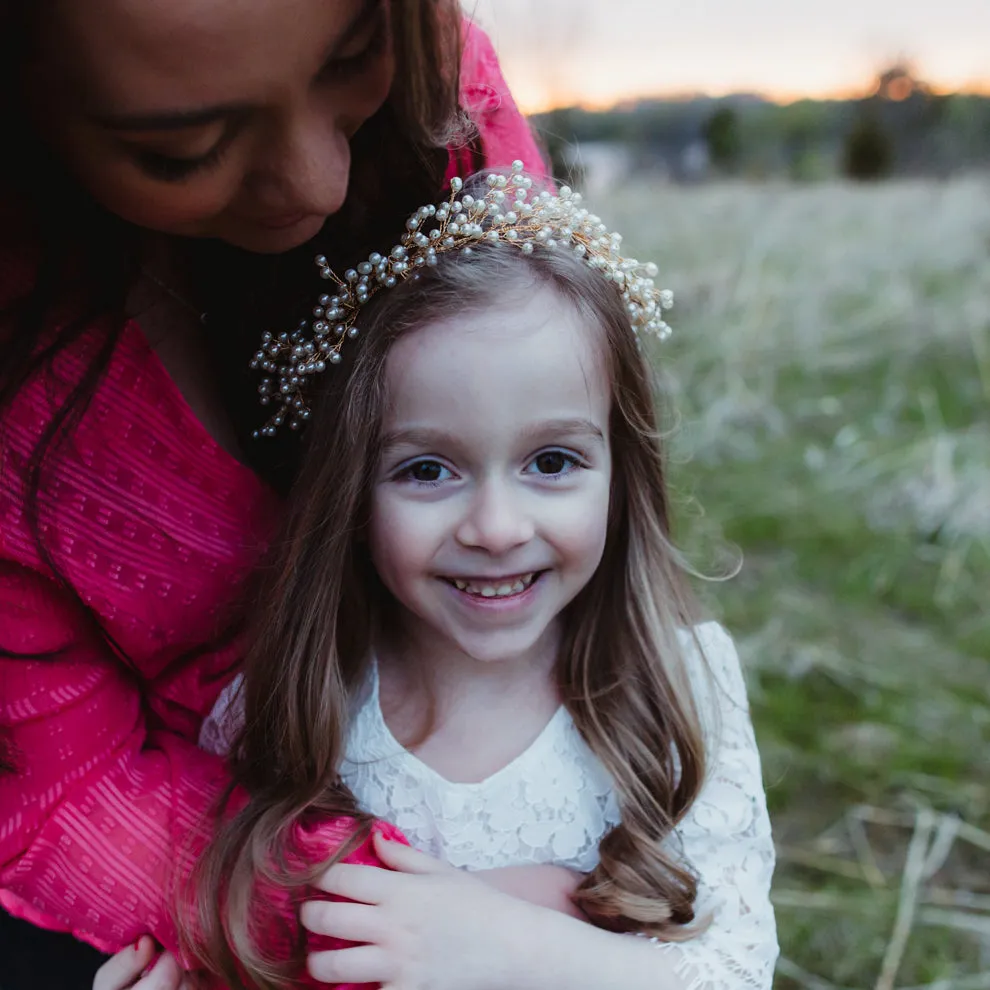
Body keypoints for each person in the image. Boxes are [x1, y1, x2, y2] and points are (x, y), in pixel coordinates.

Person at [0, 0, 545, 985]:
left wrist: (547, 930)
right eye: (185, 149)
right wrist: (377, 921)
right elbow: (61, 781)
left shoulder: (442, 99)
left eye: (351, 61)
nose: (316, 182)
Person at [178, 166, 779, 989]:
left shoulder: (681, 683)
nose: (496, 528)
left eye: (553, 461)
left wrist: (504, 946)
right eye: (427, 470)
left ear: (620, 470)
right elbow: (231, 938)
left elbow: (736, 971)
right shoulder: (296, 702)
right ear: (350, 491)